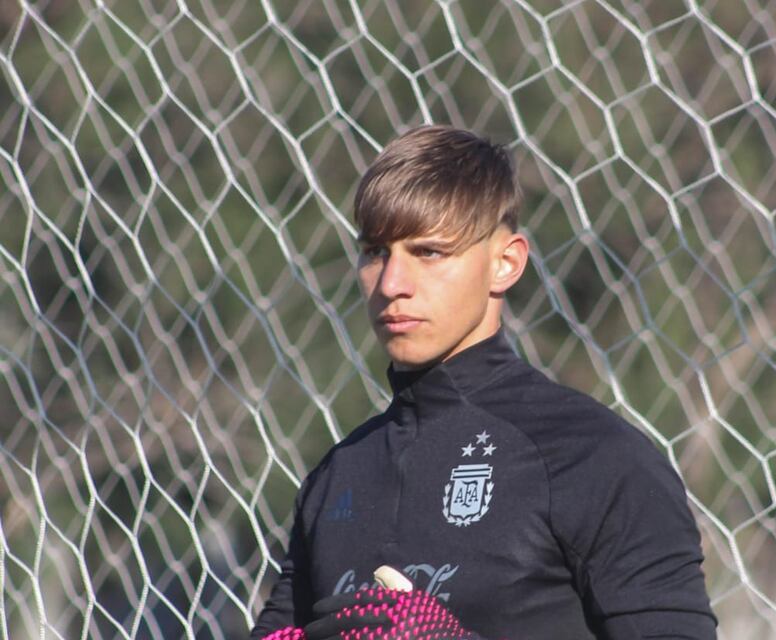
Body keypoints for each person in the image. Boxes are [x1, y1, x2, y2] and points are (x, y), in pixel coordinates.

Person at [250, 125, 716, 639]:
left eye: (428, 252)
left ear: (506, 263)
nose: (391, 284)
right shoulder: (337, 477)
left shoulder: (596, 459)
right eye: (375, 252)